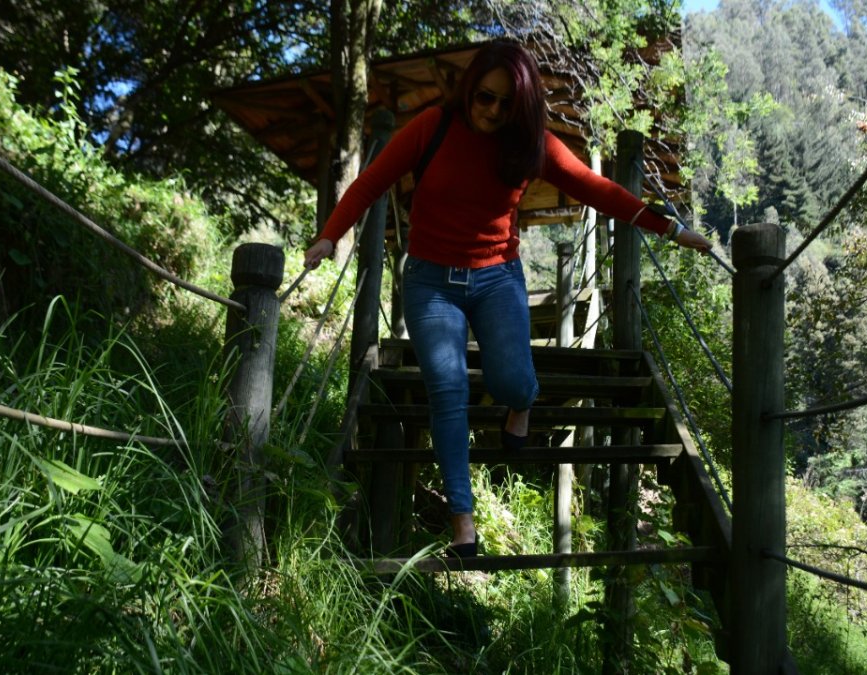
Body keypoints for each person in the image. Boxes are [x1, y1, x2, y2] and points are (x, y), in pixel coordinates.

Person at [304, 39, 711, 557]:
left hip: (497, 277)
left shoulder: (532, 146)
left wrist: (669, 229)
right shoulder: (432, 128)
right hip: (430, 283)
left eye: (504, 104)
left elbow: (597, 189)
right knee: (447, 389)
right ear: (469, 89)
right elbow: (368, 184)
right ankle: (463, 524)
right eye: (484, 98)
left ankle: (522, 403)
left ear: (520, 107)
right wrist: (329, 235)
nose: (492, 111)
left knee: (511, 379)